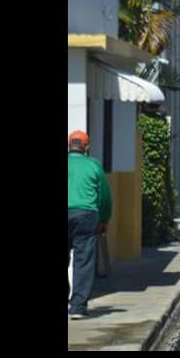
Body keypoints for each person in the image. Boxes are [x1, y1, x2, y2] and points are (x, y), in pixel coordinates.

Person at [67, 130, 112, 320]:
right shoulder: (94, 166)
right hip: (86, 215)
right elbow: (104, 197)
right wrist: (104, 220)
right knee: (83, 261)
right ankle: (77, 307)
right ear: (87, 148)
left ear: (69, 146)